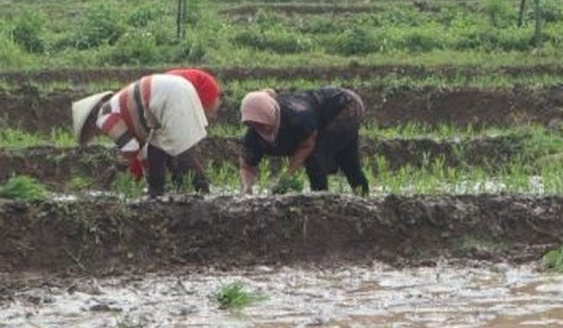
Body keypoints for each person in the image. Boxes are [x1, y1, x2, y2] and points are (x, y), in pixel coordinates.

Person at [71, 72, 215, 198]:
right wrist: (148, 180)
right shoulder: (114, 107)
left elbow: (130, 147)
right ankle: (165, 191)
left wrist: (115, 169)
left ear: (89, 123)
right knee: (159, 150)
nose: (94, 136)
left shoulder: (103, 117)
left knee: (180, 151)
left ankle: (202, 189)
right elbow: (143, 152)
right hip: (179, 88)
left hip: (168, 96)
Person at [239, 87, 370, 195]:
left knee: (316, 156)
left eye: (262, 124)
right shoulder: (253, 135)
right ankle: (363, 197)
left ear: (271, 114)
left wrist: (284, 178)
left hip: (345, 105)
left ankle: (320, 198)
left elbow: (307, 146)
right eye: (254, 125)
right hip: (320, 120)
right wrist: (247, 188)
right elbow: (247, 165)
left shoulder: (298, 117)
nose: (259, 128)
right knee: (348, 160)